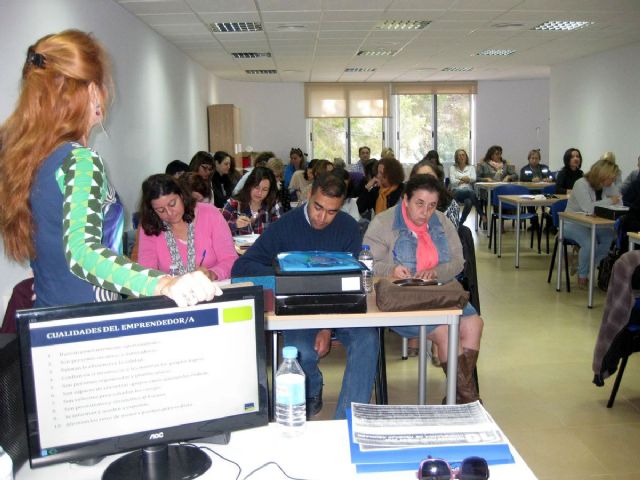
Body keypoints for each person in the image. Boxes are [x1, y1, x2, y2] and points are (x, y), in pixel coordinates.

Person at [0, 29, 219, 309]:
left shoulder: (30, 160)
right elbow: (83, 253)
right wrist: (165, 283)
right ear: (92, 89)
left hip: (49, 319)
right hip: (88, 325)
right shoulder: (79, 161)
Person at [231, 172, 379, 420]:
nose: (322, 217)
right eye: (318, 207)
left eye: (331, 212)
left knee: (368, 340)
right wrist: (290, 271)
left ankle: (346, 422)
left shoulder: (348, 228)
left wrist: (325, 327)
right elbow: (242, 267)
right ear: (309, 195)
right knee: (300, 351)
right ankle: (312, 385)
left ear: (341, 207)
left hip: (339, 309)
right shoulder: (285, 226)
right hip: (299, 308)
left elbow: (353, 280)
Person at [364, 174, 483, 404]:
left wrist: (437, 271)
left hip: (439, 293)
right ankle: (469, 402)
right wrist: (391, 270)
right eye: (419, 204)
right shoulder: (383, 222)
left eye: (432, 206)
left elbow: (459, 262)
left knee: (474, 323)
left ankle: (459, 397)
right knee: (446, 331)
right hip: (401, 300)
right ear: (405, 199)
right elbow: (367, 263)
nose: (426, 212)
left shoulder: (442, 222)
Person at [137, 174, 238, 280]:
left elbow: (230, 260)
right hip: (171, 292)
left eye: (172, 204)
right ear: (152, 210)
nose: (170, 213)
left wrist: (212, 274)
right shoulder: (150, 228)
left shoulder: (209, 214)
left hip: (212, 289)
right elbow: (147, 274)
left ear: (181, 196)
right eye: (160, 210)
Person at [564, 158, 621, 287]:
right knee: (590, 243)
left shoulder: (608, 185)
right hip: (572, 222)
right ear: (602, 175)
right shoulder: (581, 184)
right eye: (611, 178)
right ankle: (583, 275)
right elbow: (588, 208)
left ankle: (585, 268)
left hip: (594, 223)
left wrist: (613, 200)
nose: (613, 181)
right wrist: (610, 201)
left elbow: (619, 201)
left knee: (610, 239)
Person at [222, 166, 282, 235]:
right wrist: (234, 225)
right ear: (249, 185)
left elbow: (280, 232)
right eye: (256, 187)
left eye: (265, 189)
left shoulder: (273, 205)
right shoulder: (233, 204)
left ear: (269, 191)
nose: (259, 193)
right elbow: (218, 231)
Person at [411, 159, 460, 228]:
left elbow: (449, 235)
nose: (426, 181)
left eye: (430, 177)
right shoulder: (406, 204)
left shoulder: (450, 204)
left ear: (438, 180)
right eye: (420, 178)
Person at [449, 148, 485, 225]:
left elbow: (473, 179)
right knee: (471, 192)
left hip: (468, 191)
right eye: (459, 155)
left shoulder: (471, 167)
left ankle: (460, 222)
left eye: (463, 155)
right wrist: (464, 179)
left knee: (469, 202)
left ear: (466, 157)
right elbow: (453, 182)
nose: (461, 157)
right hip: (456, 191)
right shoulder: (452, 168)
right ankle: (482, 214)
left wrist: (458, 178)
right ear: (456, 158)